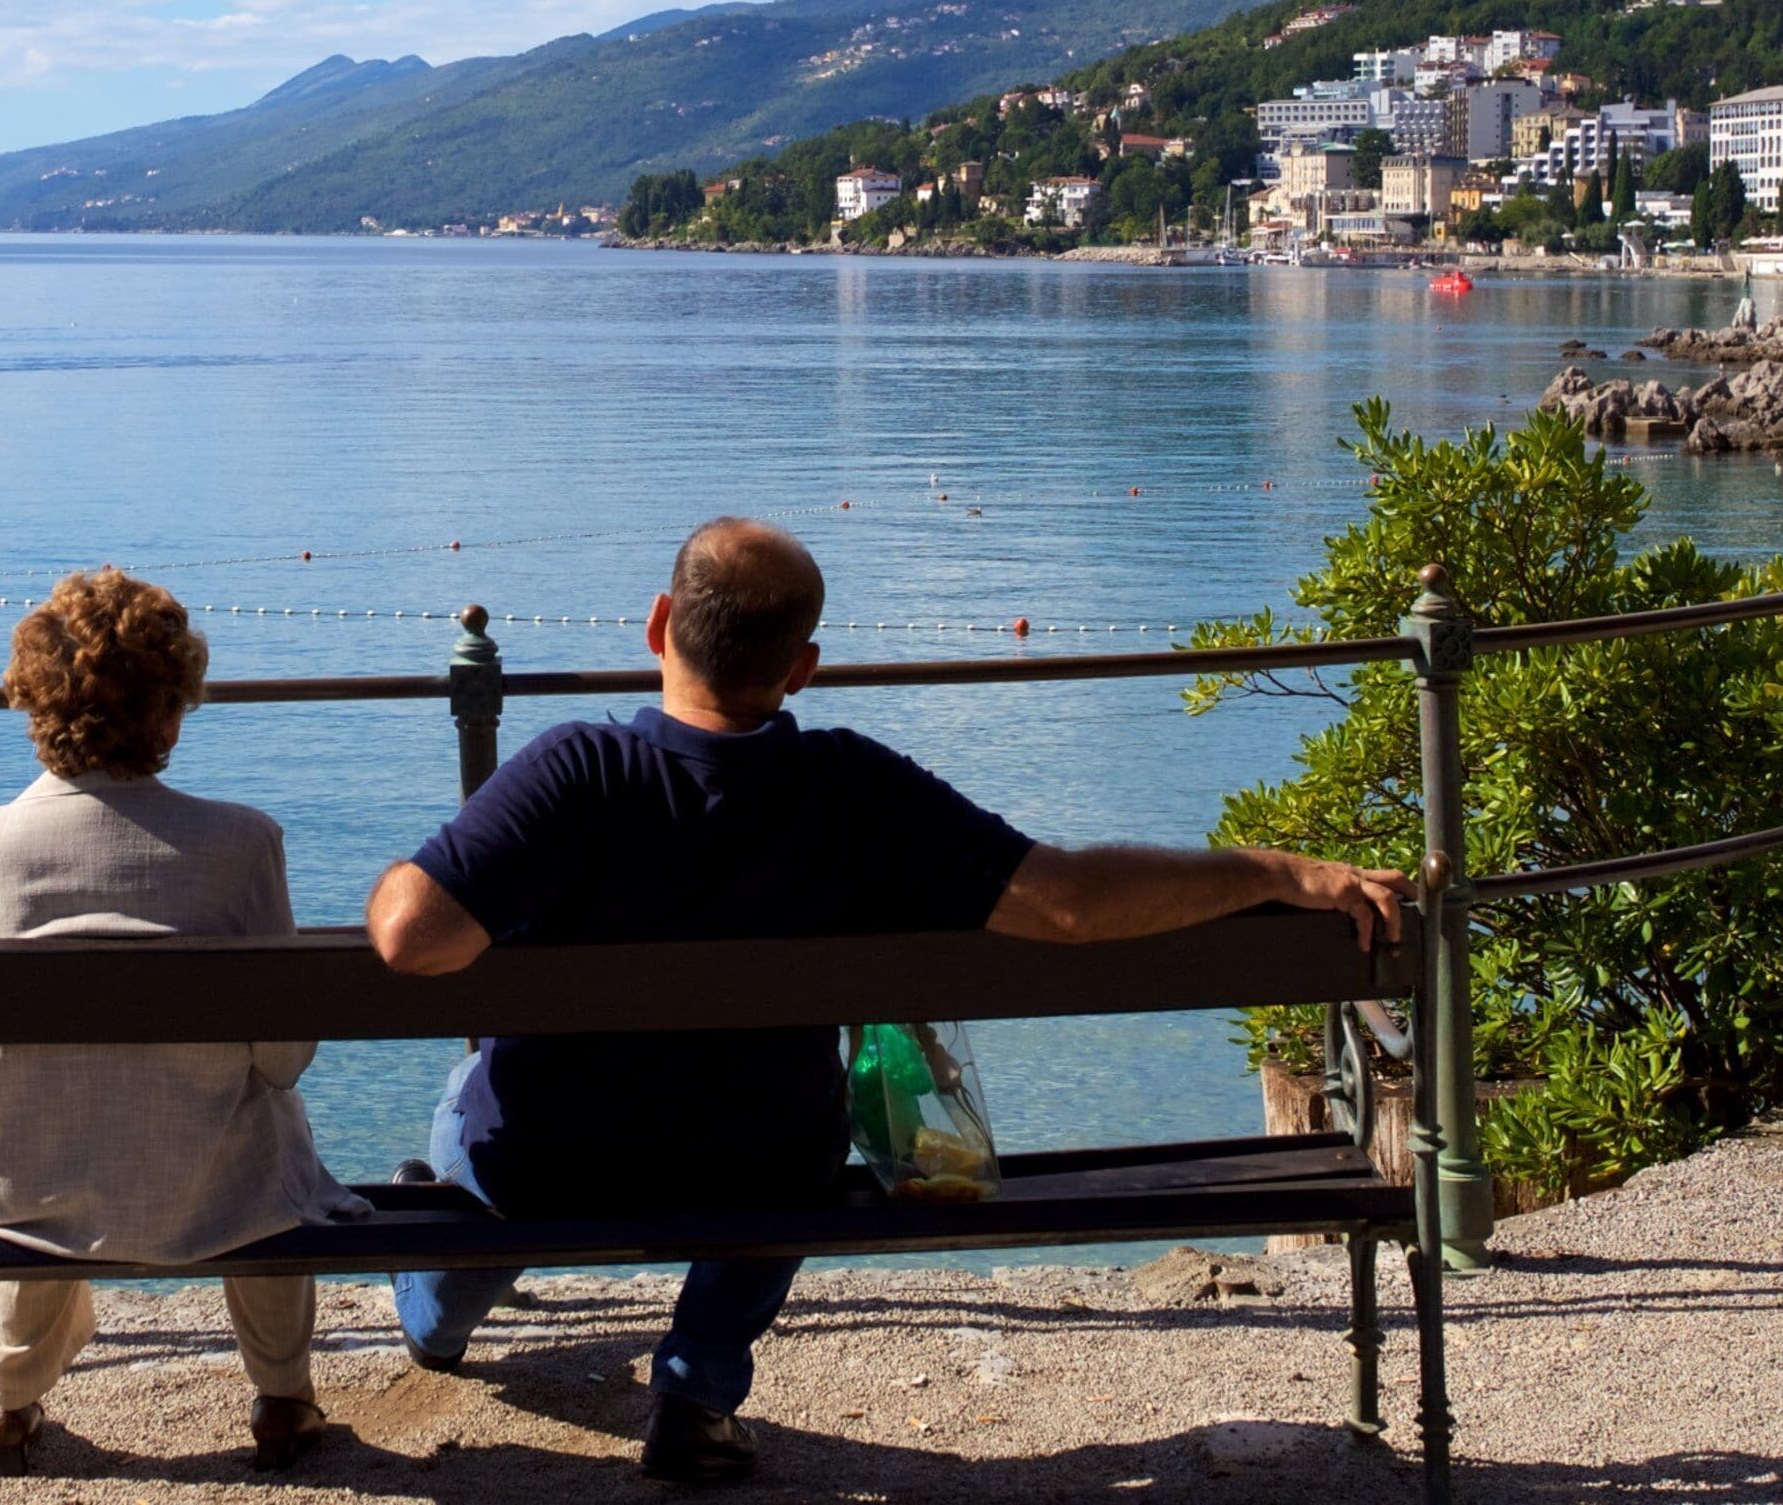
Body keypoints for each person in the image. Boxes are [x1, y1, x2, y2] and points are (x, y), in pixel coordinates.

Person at [365, 519, 1409, 1486]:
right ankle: (696, 1393)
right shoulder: (854, 789)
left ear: (657, 627)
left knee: (479, 1107)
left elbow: (413, 937)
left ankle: (437, 1317)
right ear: (800, 669)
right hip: (759, 1167)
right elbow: (1074, 907)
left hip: (550, 1164)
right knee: (785, 1133)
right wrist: (1274, 871)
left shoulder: (576, 770)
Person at [0, 567, 360, 1476]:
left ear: (33, 702)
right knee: (263, 1126)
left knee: (35, 1117)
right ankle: (282, 1395)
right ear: (171, 708)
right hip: (205, 1188)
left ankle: (8, 1396)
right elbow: (283, 1057)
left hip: (11, 1182)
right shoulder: (242, 846)